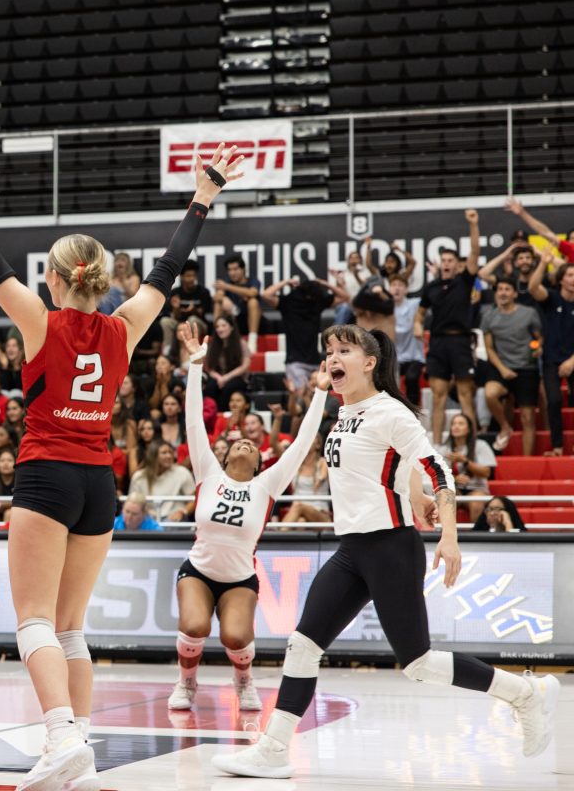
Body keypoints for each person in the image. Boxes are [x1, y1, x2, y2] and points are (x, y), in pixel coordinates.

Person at [0, 129, 242, 790]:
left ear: (56, 278)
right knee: (70, 627)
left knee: (33, 620)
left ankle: (60, 735)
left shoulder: (39, 320)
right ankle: (79, 749)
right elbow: (166, 272)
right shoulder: (125, 326)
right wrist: (202, 198)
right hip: (100, 483)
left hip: (45, 475)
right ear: (99, 277)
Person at [213, 324, 558, 780]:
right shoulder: (345, 412)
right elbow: (386, 468)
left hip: (391, 547)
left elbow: (439, 470)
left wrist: (450, 537)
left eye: (344, 351)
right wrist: (412, 493)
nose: (332, 358)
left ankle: (526, 694)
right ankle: (275, 748)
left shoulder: (391, 412)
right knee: (302, 645)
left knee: (418, 664)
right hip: (352, 549)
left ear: (370, 362)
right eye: (329, 351)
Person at [170, 321, 328, 711]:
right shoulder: (208, 471)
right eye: (236, 441)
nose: (243, 441)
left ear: (260, 461)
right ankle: (186, 683)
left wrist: (320, 394)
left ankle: (244, 681)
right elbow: (193, 421)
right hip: (199, 571)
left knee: (236, 638)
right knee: (194, 628)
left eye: (251, 444)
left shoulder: (268, 485)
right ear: (224, 457)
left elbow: (304, 441)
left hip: (240, 577)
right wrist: (194, 366)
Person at [417, 210, 481, 444]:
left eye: (450, 261)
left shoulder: (464, 281)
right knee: (438, 397)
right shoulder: (431, 287)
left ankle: (471, 443)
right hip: (438, 342)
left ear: (457, 265)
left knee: (465, 395)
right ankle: (435, 445)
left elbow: (475, 252)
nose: (446, 264)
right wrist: (417, 324)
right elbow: (421, 311)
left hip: (460, 341)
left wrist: (473, 225)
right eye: (443, 260)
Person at [481, 277, 543, 454]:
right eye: (499, 289)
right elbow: (489, 348)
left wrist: (537, 348)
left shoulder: (529, 313)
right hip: (501, 366)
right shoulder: (488, 316)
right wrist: (502, 369)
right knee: (490, 393)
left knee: (528, 417)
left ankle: (527, 462)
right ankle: (505, 427)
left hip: (527, 368)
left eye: (507, 289)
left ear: (515, 294)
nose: (503, 292)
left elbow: (539, 339)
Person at [262, 277, 343, 408]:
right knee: (301, 400)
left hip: (311, 361)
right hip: (297, 361)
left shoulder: (294, 301)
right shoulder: (300, 302)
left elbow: (266, 294)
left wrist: (286, 282)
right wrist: (325, 283)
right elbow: (344, 296)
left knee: (317, 398)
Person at [528, 253, 574, 456]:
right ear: (562, 278)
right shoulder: (552, 297)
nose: (573, 279)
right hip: (551, 359)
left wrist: (572, 361)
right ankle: (557, 447)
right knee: (553, 400)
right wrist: (543, 264)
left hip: (573, 359)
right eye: (571, 275)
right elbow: (533, 288)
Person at [444, 412, 496, 523]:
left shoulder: (481, 445)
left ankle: (476, 537)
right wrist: (455, 479)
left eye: (461, 423)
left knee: (476, 501)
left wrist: (465, 461)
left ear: (469, 429)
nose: (456, 426)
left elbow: (487, 473)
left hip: (477, 488)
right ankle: (441, 535)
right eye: (453, 424)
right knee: (444, 498)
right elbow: (437, 474)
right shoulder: (445, 449)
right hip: (454, 489)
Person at [387, 274, 426, 408]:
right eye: (393, 285)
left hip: (414, 356)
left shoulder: (414, 304)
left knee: (411, 378)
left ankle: (414, 410)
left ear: (406, 290)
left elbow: (429, 299)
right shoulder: (385, 308)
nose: (396, 289)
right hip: (394, 357)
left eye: (400, 285)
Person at [279, 432, 331, 526]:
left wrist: (320, 478)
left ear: (318, 445)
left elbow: (322, 476)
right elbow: (275, 445)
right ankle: (278, 537)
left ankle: (275, 538)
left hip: (320, 513)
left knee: (298, 506)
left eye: (311, 438)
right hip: (298, 513)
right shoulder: (295, 464)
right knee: (301, 522)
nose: (307, 440)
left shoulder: (323, 462)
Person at [214, 256, 263, 352]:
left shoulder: (253, 281)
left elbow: (252, 293)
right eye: (229, 270)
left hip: (253, 322)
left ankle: (252, 341)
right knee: (219, 302)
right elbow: (217, 297)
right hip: (234, 321)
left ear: (243, 269)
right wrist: (223, 298)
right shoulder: (226, 283)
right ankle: (217, 336)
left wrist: (228, 287)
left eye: (235, 269)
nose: (232, 273)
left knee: (253, 301)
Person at [203, 314, 250, 407]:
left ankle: (224, 413)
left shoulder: (241, 344)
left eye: (223, 326)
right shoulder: (212, 345)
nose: (220, 329)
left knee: (229, 387)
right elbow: (208, 367)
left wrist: (226, 378)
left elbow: (245, 365)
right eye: (217, 326)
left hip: (236, 376)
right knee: (210, 387)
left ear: (232, 327)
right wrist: (219, 378)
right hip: (218, 376)